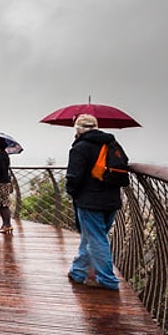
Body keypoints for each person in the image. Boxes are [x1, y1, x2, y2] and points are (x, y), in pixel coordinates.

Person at [65, 114, 124, 290]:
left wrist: (73, 193)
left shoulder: (80, 147)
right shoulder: (111, 143)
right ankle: (78, 272)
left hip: (89, 202)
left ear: (78, 130)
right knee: (91, 237)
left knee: (97, 239)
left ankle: (107, 280)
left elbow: (74, 177)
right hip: (111, 200)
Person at [0, 136, 14, 233]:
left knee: (3, 204)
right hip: (4, 182)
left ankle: (7, 224)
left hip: (2, 183)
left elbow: (0, 169)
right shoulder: (3, 154)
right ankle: (5, 224)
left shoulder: (1, 156)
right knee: (1, 204)